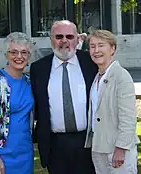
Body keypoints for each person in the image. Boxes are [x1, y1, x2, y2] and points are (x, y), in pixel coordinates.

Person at [30, 20, 97, 174]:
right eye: (59, 36)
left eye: (69, 36)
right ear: (51, 39)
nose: (64, 41)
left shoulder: (91, 63)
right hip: (54, 145)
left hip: (88, 141)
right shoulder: (38, 68)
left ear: (77, 39)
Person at [84, 30, 140, 174]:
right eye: (92, 46)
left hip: (117, 150)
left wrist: (121, 149)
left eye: (101, 45)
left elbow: (128, 117)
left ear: (112, 48)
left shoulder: (121, 76)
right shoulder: (97, 76)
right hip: (99, 147)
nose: (96, 50)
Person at [0, 32, 34, 174]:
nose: (19, 56)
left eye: (24, 52)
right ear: (6, 54)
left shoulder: (29, 82)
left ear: (29, 56)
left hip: (24, 153)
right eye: (14, 52)